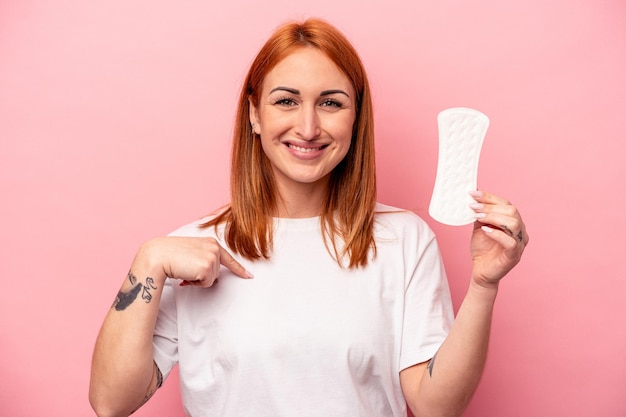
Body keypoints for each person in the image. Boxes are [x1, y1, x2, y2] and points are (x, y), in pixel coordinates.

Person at [89, 18, 528, 417]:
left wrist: (484, 285)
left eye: (331, 104)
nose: (308, 127)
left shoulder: (405, 240)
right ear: (254, 114)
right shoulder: (190, 250)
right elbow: (111, 402)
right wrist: (147, 261)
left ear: (356, 119)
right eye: (286, 101)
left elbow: (436, 407)